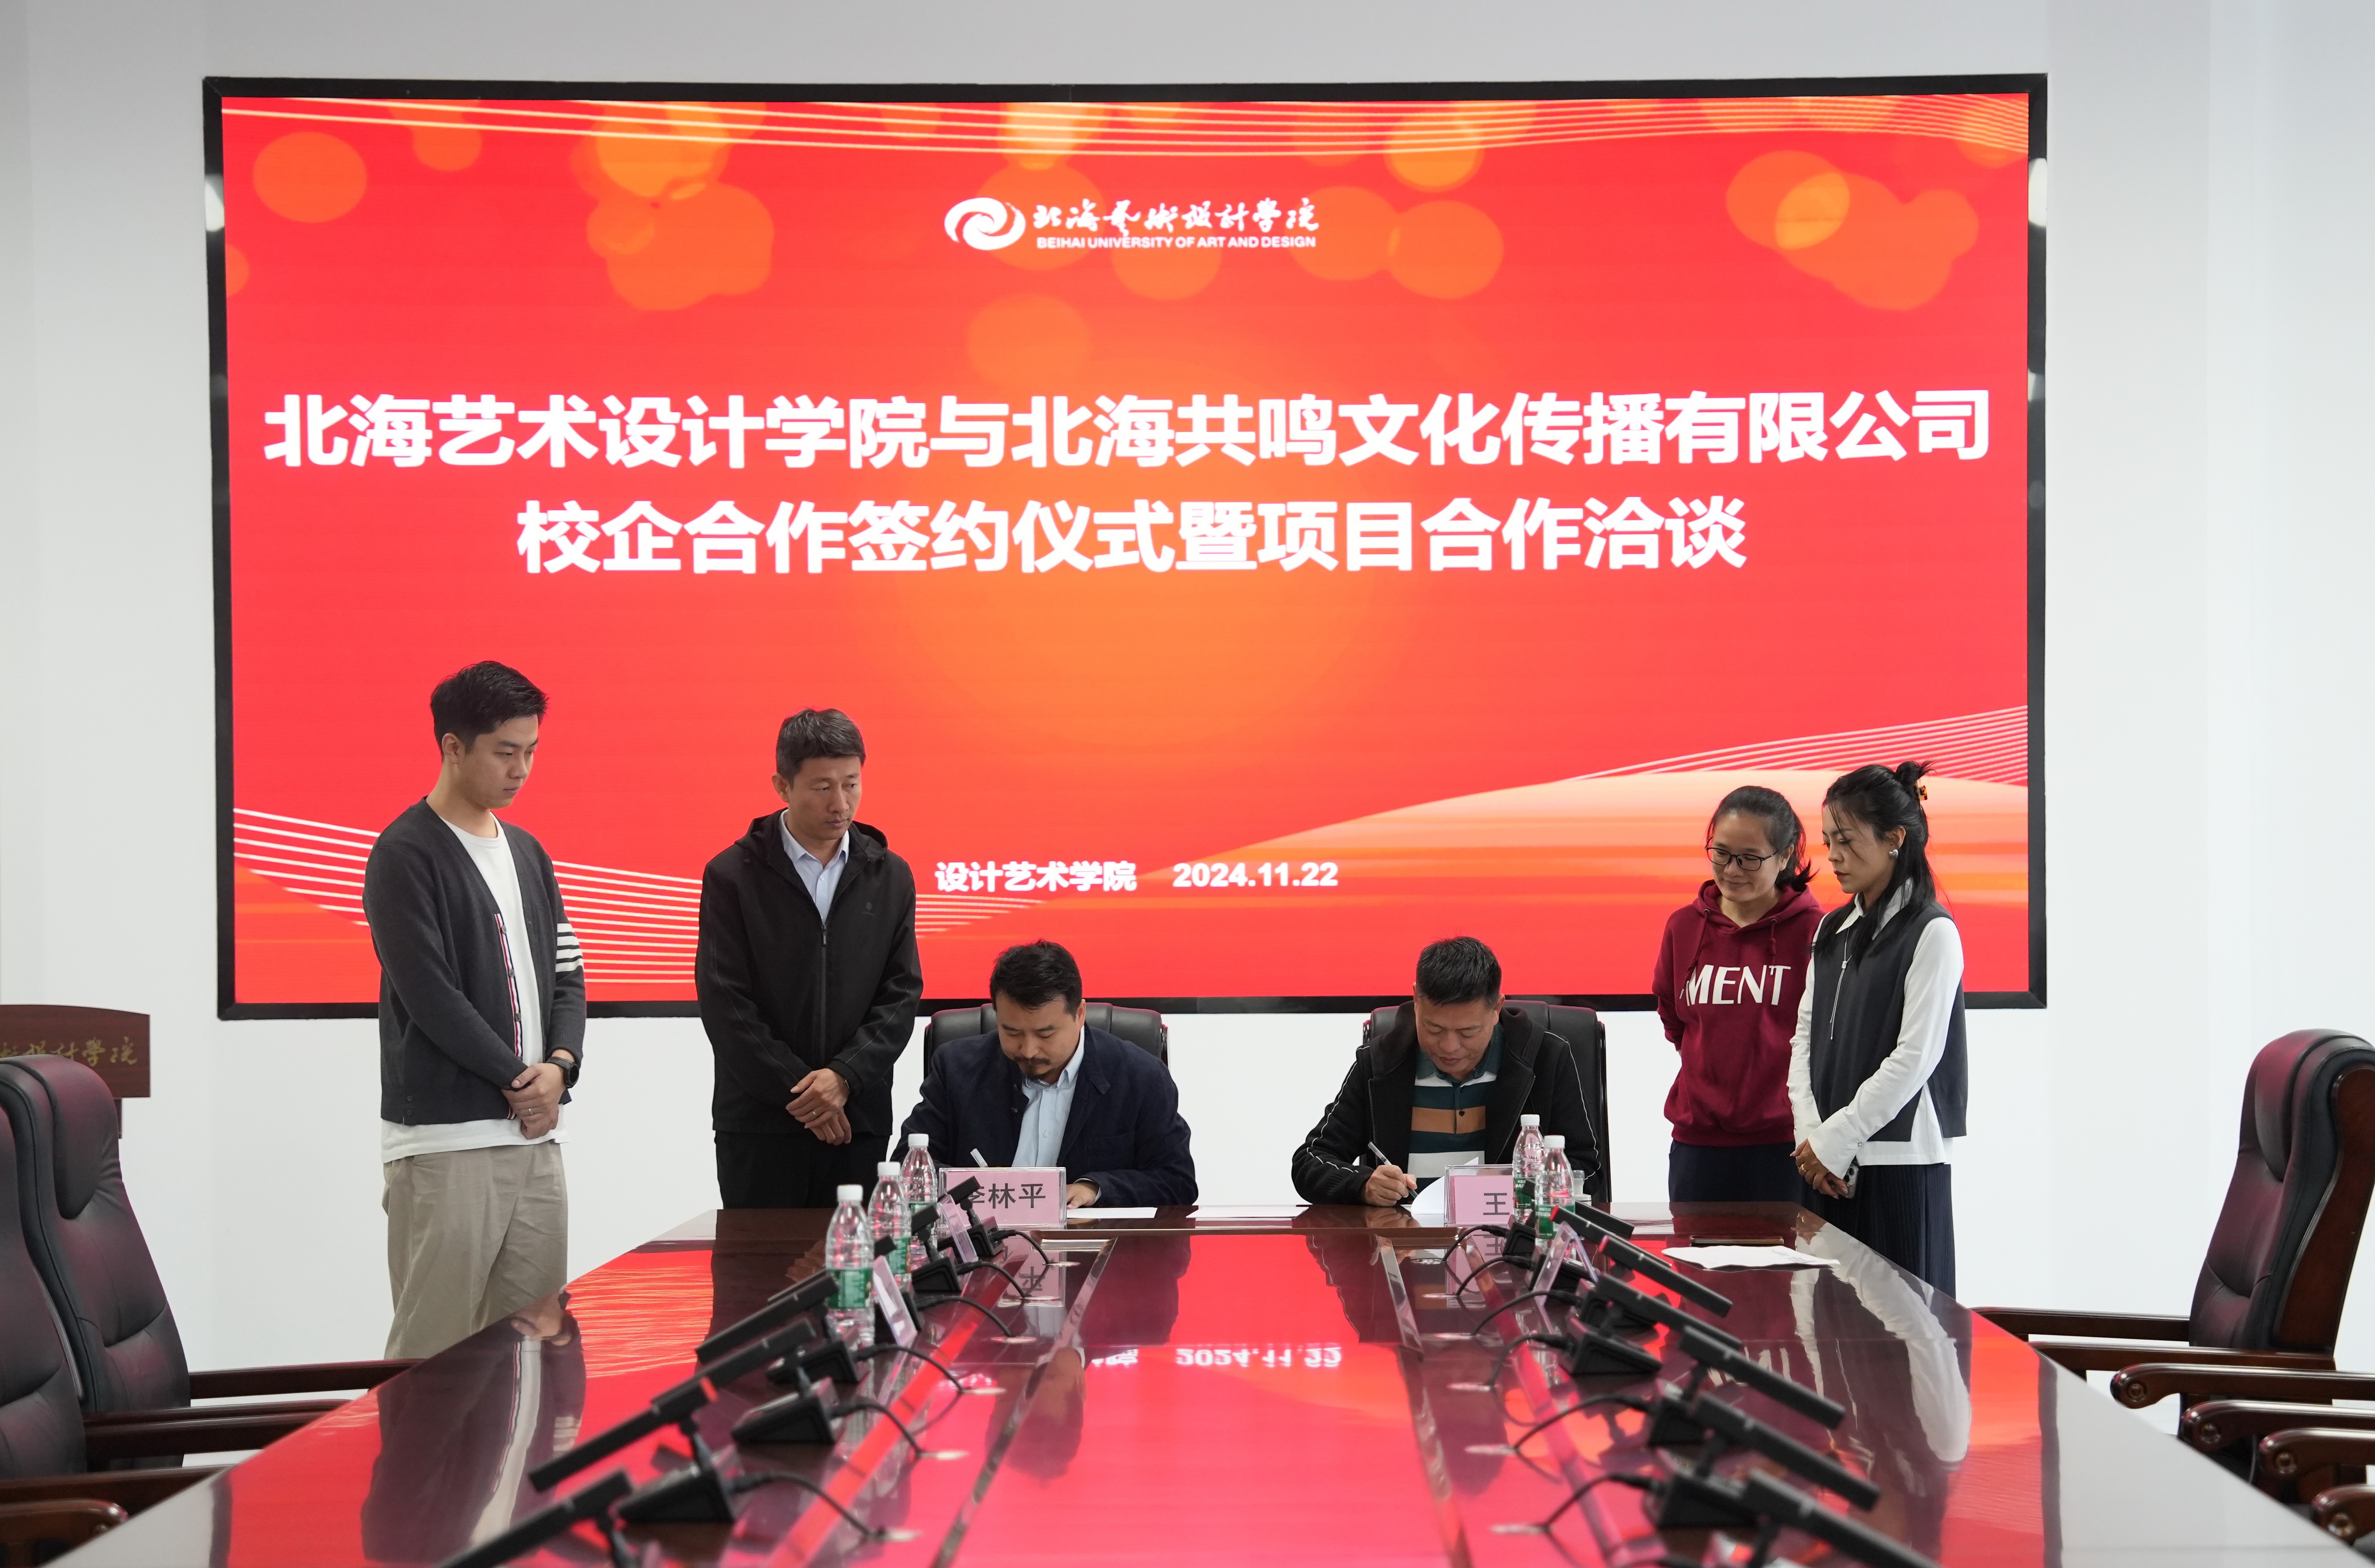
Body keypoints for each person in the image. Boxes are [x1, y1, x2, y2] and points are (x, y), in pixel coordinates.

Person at [364, 661, 584, 1360]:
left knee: (536, 1357)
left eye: (531, 751)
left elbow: (568, 975)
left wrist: (559, 1067)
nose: (521, 769)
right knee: (434, 1364)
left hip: (533, 1142)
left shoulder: (528, 852)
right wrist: (521, 1083)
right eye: (504, 751)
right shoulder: (405, 853)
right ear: (453, 747)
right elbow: (430, 995)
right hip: (444, 1144)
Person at [697, 708, 921, 1208]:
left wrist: (844, 1077)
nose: (840, 803)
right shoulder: (732, 875)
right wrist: (802, 1093)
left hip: (856, 1121)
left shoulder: (890, 875)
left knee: (857, 1257)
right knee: (760, 1260)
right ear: (782, 785)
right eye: (822, 787)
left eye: (851, 784)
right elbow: (724, 999)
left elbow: (901, 993)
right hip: (760, 1122)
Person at [1788, 762, 1967, 1293]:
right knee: (1826, 1324)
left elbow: (1915, 1057)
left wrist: (1835, 1139)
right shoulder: (1831, 928)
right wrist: (1811, 1138)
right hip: (1823, 1164)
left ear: (1894, 839)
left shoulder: (1931, 931)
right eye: (1827, 841)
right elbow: (1802, 1037)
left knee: (1907, 1329)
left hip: (1897, 1165)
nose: (1832, 856)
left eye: (1845, 841)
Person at [1291, 936, 1600, 1206]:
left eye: (1468, 1032)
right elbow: (1310, 1162)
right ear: (1416, 1000)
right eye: (1434, 1029)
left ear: (1496, 1009)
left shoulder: (1544, 1058)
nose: (1449, 1047)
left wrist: (1521, 1193)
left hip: (1509, 1242)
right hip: (1405, 1243)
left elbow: (1585, 1169)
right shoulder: (1382, 1063)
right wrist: (1363, 1185)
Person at [900, 940, 1196, 1208]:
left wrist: (1096, 1188)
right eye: (1012, 1032)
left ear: (1080, 1014)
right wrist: (975, 1188)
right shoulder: (956, 1068)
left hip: (1091, 1242)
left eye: (1045, 1034)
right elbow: (907, 1166)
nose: (1029, 1050)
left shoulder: (1139, 1076)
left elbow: (1176, 1181)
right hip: (980, 1240)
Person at [1653, 785, 1823, 1202]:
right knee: (1694, 1249)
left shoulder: (1815, 932)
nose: (1731, 869)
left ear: (1785, 856)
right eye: (1721, 853)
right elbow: (1674, 1018)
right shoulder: (1683, 926)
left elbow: (1823, 1036)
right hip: (1698, 1144)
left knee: (1788, 1250)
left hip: (1785, 1145)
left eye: (1749, 858)